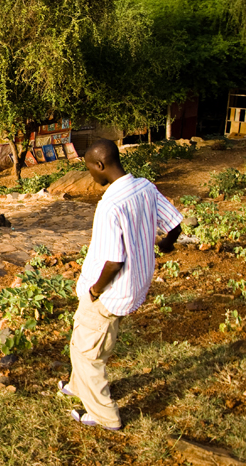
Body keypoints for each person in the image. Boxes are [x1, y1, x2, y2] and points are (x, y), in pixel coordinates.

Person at [60, 139, 182, 430]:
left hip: (110, 291)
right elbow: (174, 223)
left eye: (89, 168)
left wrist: (95, 290)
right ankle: (78, 386)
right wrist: (166, 244)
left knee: (86, 351)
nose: (90, 174)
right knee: (92, 337)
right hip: (134, 286)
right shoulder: (144, 187)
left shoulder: (110, 205)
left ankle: (105, 416)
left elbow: (113, 262)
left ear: (99, 165)